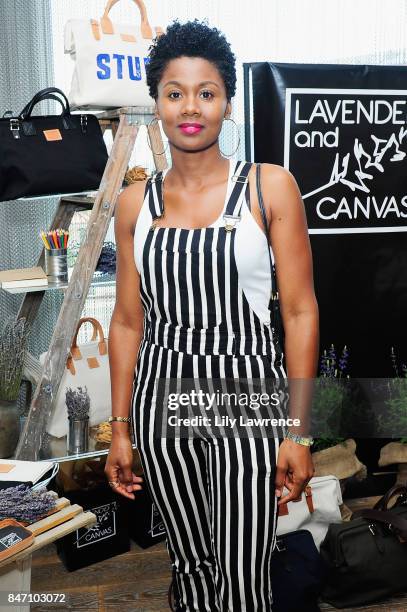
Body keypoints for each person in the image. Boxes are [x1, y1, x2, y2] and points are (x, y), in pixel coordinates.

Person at [105, 19, 319, 612]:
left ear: (228, 102)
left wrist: (298, 433)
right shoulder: (133, 203)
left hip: (247, 398)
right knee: (189, 562)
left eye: (207, 92)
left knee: (245, 565)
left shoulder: (269, 188)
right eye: (175, 93)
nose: (190, 107)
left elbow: (300, 313)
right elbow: (127, 321)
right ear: (157, 103)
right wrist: (120, 427)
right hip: (161, 400)